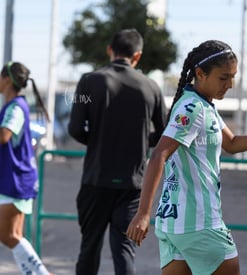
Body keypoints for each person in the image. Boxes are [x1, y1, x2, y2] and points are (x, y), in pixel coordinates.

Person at [126, 40, 247, 275]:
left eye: (233, 77)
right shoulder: (193, 108)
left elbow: (232, 143)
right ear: (200, 73)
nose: (230, 84)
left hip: (173, 225)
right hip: (200, 224)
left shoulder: (201, 105)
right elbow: (159, 155)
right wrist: (143, 213)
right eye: (223, 77)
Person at [68, 28, 167, 275]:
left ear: (110, 51)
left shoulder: (88, 82)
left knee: (89, 249)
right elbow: (164, 133)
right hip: (132, 185)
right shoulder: (152, 88)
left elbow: (75, 128)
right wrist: (142, 141)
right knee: (124, 251)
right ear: (138, 56)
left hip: (95, 180)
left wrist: (99, 140)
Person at [0, 61, 51, 274]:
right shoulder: (14, 105)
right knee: (14, 236)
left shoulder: (16, 107)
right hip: (15, 178)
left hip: (16, 179)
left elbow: (4, 136)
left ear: (7, 80)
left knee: (8, 235)